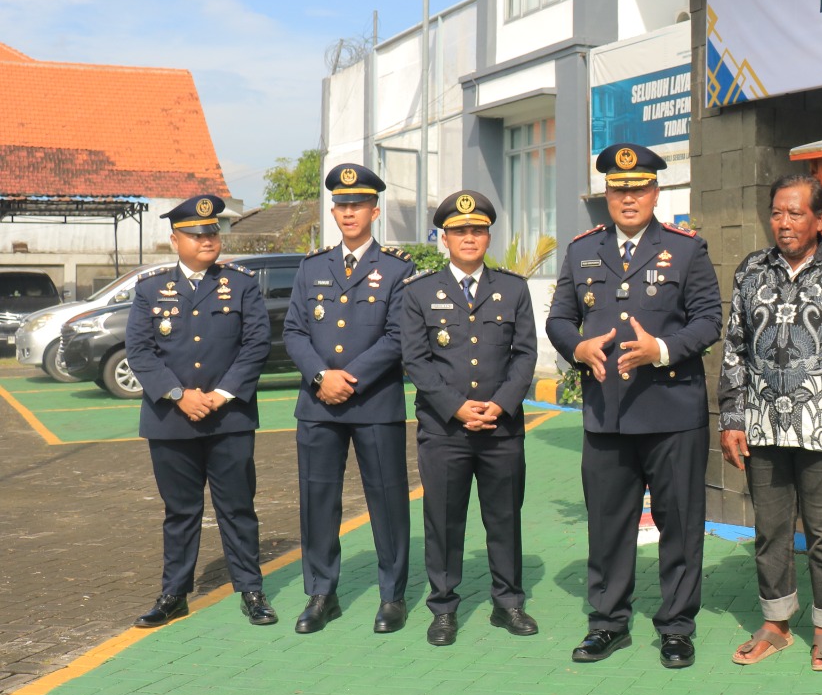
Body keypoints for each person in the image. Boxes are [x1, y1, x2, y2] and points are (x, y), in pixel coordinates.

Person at [546, 143, 723, 669]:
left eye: (639, 188)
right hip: (608, 412)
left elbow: (710, 319)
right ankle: (607, 623)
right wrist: (576, 347)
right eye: (620, 189)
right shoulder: (581, 251)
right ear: (607, 193)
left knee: (680, 523)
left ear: (656, 191)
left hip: (671, 411)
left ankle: (676, 626)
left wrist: (661, 350)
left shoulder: (686, 249)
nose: (629, 198)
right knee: (608, 524)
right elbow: (559, 318)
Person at [720, 174, 822, 671]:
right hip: (764, 421)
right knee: (769, 528)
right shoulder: (751, 270)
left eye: (795, 214)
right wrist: (731, 416)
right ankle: (776, 624)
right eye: (777, 213)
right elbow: (734, 348)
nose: (784, 223)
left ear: (820, 220)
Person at [126, 194, 276, 628]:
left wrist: (222, 394)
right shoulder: (150, 288)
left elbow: (255, 346)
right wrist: (178, 394)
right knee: (180, 511)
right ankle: (174, 593)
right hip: (171, 419)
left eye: (212, 232)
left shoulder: (243, 284)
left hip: (228, 418)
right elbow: (140, 350)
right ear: (176, 240)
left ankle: (251, 590)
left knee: (238, 508)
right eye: (197, 233)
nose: (207, 239)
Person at [398, 191, 538, 647]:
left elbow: (525, 355)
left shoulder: (513, 289)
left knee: (504, 518)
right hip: (444, 429)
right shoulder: (419, 292)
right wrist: (456, 406)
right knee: (443, 518)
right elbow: (415, 360)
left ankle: (508, 602)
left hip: (501, 428)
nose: (469, 238)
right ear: (443, 237)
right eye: (459, 231)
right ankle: (443, 607)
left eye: (477, 230)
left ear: (488, 235)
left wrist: (500, 404)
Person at [282, 164, 416, 635]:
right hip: (319, 404)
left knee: (388, 500)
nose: (348, 212)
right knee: (318, 500)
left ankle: (392, 595)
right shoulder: (312, 266)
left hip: (373, 402)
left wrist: (348, 377)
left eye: (357, 204)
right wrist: (321, 375)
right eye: (341, 205)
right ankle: (321, 593)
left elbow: (399, 336)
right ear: (333, 211)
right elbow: (294, 330)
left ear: (374, 211)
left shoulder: (398, 268)